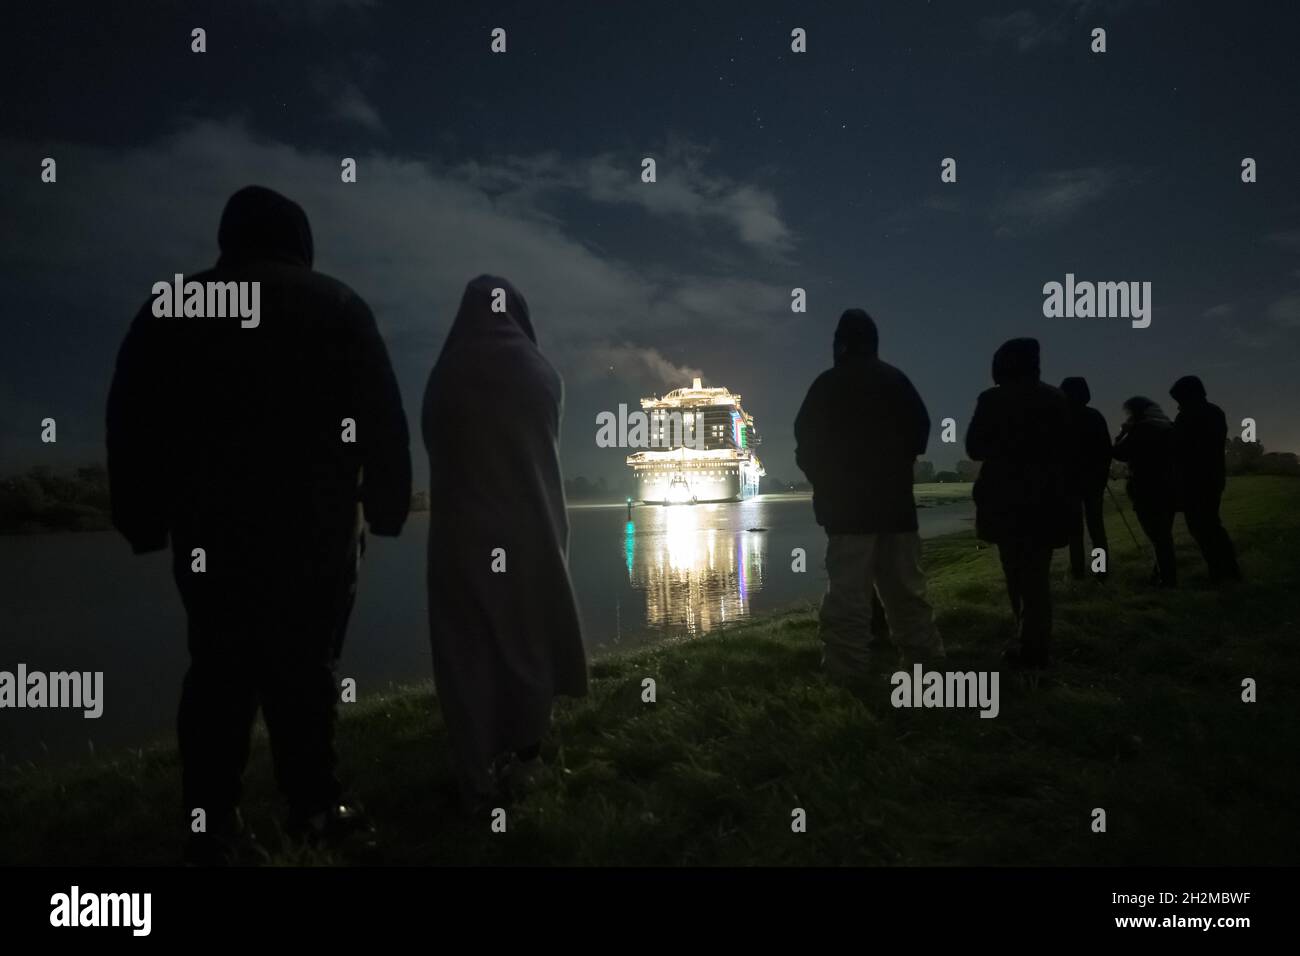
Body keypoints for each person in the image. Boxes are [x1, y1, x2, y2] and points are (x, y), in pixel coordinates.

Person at [106, 185, 412, 864]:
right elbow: (383, 420)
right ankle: (314, 808)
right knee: (306, 668)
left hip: (211, 531)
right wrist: (389, 507)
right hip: (318, 526)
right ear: (301, 242)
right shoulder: (338, 304)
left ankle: (211, 825)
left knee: (217, 667)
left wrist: (142, 518)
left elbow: (130, 418)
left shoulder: (176, 304)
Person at [421, 276, 588, 808]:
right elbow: (544, 444)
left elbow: (433, 440)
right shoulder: (541, 373)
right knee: (527, 638)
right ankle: (529, 757)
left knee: (465, 646)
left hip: (460, 535)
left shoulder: (444, 373)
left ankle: (475, 774)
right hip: (527, 528)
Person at [794, 309, 943, 684]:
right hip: (896, 509)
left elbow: (805, 445)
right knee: (907, 593)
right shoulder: (897, 380)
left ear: (839, 344)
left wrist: (827, 482)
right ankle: (925, 666)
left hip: (847, 513)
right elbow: (920, 434)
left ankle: (847, 675)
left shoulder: (826, 385)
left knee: (847, 598)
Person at [966, 338, 1069, 668]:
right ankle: (1033, 642)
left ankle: (1030, 647)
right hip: (1048, 498)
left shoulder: (993, 399)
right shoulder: (1056, 398)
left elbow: (974, 447)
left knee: (1016, 572)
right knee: (1037, 575)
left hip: (1006, 500)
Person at [1169, 376, 1241, 583]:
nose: (1178, 406)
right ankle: (1229, 570)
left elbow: (1178, 448)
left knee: (1201, 527)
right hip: (1213, 478)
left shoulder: (1187, 417)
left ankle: (1219, 572)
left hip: (1194, 481)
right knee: (1212, 525)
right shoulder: (1215, 412)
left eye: (1179, 400)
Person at [1111, 397, 1178, 587]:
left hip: (1146, 489)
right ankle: (1163, 575)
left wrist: (1123, 432)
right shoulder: (1168, 427)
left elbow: (1118, 452)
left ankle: (1167, 580)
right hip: (1169, 488)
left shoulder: (1141, 430)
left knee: (1158, 537)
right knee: (1163, 535)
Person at [1059, 377, 1112, 580]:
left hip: (1070, 483)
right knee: (1097, 530)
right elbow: (1106, 450)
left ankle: (1078, 572)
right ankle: (1101, 571)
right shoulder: (1095, 416)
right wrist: (1101, 475)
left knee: (1075, 532)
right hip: (1094, 482)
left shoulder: (1060, 419)